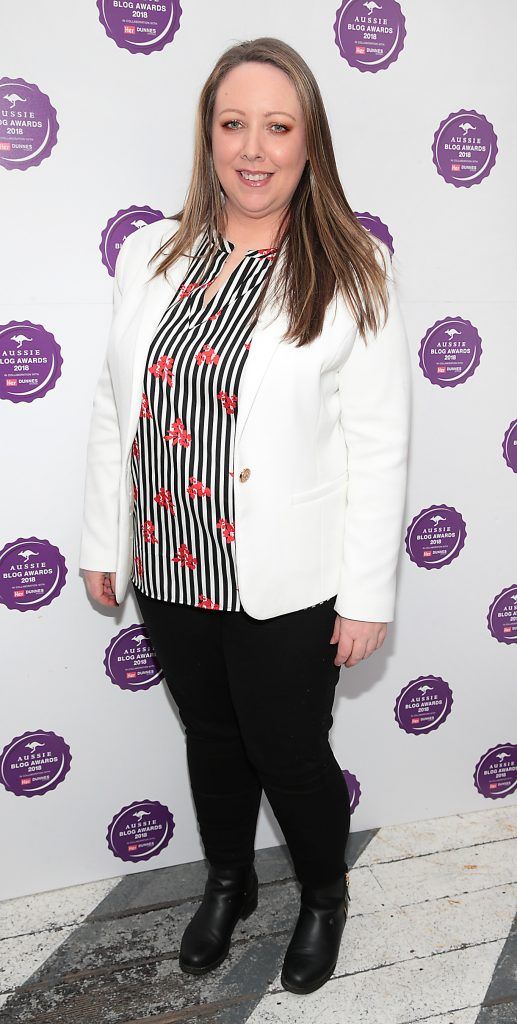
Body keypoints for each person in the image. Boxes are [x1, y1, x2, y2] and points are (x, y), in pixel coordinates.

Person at [80, 37, 411, 995]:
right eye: (234, 125)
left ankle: (321, 896)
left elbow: (378, 445)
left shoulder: (354, 267)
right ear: (207, 136)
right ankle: (227, 880)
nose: (253, 149)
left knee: (290, 753)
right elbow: (117, 407)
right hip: (171, 566)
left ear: (310, 142)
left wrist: (366, 595)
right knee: (211, 740)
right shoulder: (153, 252)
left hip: (290, 576)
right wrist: (105, 538)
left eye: (278, 126)